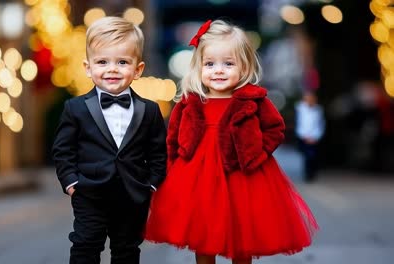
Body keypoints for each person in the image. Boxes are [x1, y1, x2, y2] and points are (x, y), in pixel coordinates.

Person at [145, 19, 318, 264]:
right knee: (201, 234)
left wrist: (257, 153)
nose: (218, 70)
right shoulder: (191, 102)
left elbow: (275, 128)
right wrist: (171, 170)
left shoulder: (253, 99)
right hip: (198, 179)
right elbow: (173, 138)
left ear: (244, 66)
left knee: (242, 233)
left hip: (243, 177)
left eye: (228, 63)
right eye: (210, 64)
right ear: (198, 67)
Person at [52, 16, 167, 264]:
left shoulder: (149, 110)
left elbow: (158, 152)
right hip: (89, 193)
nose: (112, 69)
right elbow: (63, 150)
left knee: (127, 249)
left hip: (133, 194)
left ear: (138, 70)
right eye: (102, 61)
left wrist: (151, 185)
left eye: (123, 62)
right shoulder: (75, 108)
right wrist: (71, 183)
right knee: (85, 245)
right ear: (88, 67)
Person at [295, 91, 325, 182]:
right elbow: (300, 124)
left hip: (314, 137)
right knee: (307, 156)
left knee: (313, 156)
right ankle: (308, 173)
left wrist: (316, 136)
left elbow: (320, 124)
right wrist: (304, 136)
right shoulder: (300, 109)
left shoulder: (318, 110)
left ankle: (312, 173)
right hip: (304, 136)